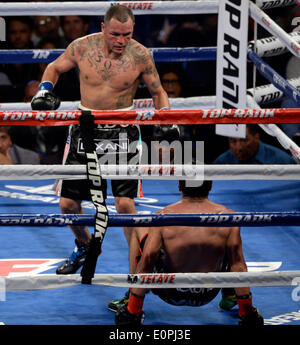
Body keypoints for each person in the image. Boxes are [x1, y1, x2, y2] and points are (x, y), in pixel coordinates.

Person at [31, 5, 169, 277]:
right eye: (115, 34)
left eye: (126, 35)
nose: (121, 41)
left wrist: (168, 121)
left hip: (123, 131)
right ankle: (84, 245)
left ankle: (138, 270)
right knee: (68, 205)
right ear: (103, 28)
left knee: (125, 205)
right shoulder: (82, 47)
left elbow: (158, 92)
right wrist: (44, 90)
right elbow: (54, 68)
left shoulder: (141, 55)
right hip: (86, 129)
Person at [115, 180, 264, 326]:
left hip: (169, 291)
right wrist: (247, 313)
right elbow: (238, 265)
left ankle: (131, 300)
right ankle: (231, 294)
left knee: (138, 229)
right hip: (208, 293)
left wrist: (133, 309)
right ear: (210, 186)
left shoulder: (163, 215)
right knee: (229, 251)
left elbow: (148, 259)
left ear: (179, 186)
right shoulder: (228, 217)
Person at [214, 125, 296, 164]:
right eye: (233, 141)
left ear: (256, 137)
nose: (239, 147)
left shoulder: (281, 161)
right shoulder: (222, 162)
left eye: (244, 140)